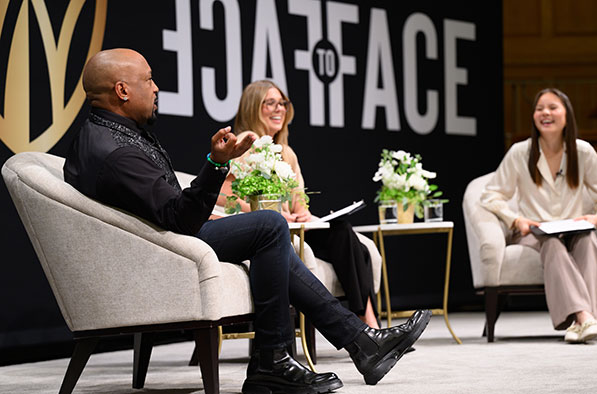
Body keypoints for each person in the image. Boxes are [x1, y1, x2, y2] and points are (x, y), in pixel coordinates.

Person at [63, 48, 432, 394]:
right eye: (149, 80)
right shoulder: (115, 151)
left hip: (164, 240)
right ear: (122, 90)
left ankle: (343, 346)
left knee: (270, 233)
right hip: (164, 248)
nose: (157, 87)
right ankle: (288, 357)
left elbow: (169, 208)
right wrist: (218, 164)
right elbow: (179, 216)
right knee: (269, 225)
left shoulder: (110, 134)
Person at [218, 80, 381, 329]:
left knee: (348, 237)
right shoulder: (244, 144)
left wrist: (302, 213)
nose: (279, 109)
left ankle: (367, 321)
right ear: (253, 107)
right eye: (270, 103)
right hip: (271, 231)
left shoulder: (286, 152)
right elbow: (222, 193)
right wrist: (266, 213)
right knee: (345, 237)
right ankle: (368, 323)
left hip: (296, 228)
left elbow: (298, 200)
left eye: (282, 103)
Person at [480, 88, 597, 344]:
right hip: (537, 234)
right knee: (553, 244)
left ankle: (581, 324)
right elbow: (491, 196)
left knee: (589, 241)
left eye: (552, 107)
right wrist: (517, 220)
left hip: (574, 228)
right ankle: (585, 317)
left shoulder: (583, 151)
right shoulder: (519, 152)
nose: (545, 113)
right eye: (539, 108)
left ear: (567, 115)